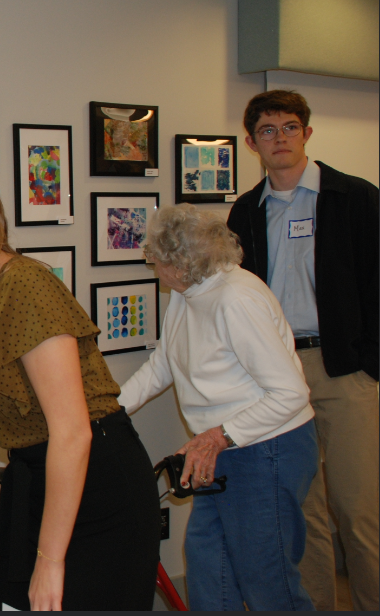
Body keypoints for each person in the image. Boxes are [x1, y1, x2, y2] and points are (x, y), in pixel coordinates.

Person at [0, 144, 160, 611]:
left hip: (96, 481)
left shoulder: (24, 285)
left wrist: (51, 559)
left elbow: (73, 433)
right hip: (33, 481)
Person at [119, 204, 318, 611]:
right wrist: (110, 413)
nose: (155, 269)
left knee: (269, 582)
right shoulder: (187, 292)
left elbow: (291, 393)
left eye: (158, 262)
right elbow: (164, 364)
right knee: (211, 576)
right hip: (219, 451)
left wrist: (217, 436)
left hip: (267, 449)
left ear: (184, 262)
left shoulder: (236, 299)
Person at [226, 89, 379, 611]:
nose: (280, 139)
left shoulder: (355, 198)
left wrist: (371, 365)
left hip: (343, 369)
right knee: (301, 510)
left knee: (359, 511)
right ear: (252, 143)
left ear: (307, 134)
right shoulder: (246, 211)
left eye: (290, 127)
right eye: (267, 131)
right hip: (277, 375)